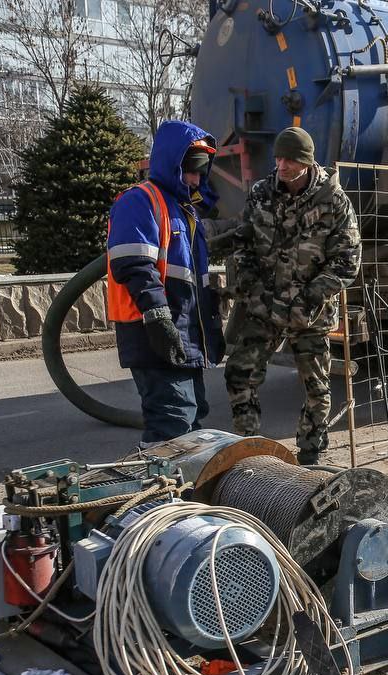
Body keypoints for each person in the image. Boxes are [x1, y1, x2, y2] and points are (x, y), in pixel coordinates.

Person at [224, 127, 360, 464]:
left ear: (306, 162)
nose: (281, 165)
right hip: (265, 305)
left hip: (309, 311)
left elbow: (348, 259)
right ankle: (248, 448)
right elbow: (243, 244)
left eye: (289, 160)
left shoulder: (334, 201)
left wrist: (311, 296)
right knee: (240, 372)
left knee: (317, 386)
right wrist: (252, 287)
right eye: (278, 158)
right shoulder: (261, 193)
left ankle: (310, 453)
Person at [106, 120, 225, 445]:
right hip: (155, 333)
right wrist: (157, 317)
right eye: (191, 169)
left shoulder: (184, 211)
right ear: (173, 162)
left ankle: (180, 492)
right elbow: (134, 264)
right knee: (172, 427)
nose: (196, 178)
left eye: (202, 170)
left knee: (191, 417)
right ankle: (159, 492)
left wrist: (209, 327)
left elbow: (190, 280)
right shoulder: (140, 201)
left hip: (184, 334)